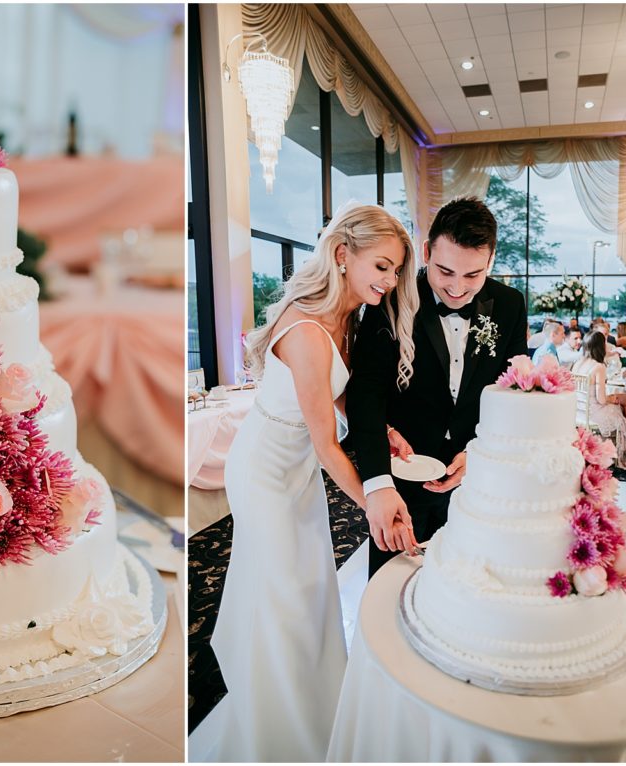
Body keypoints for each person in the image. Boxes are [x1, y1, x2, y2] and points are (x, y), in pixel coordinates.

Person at [206, 203, 418, 762]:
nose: (390, 281)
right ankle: (280, 735)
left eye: (396, 270)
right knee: (284, 597)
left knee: (313, 591)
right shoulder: (305, 327)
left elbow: (333, 392)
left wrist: (385, 430)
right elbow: (328, 446)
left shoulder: (348, 316)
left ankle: (320, 719)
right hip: (263, 471)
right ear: (343, 256)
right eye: (381, 266)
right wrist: (374, 498)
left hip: (295, 469)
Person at [346, 197, 528, 581]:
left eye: (473, 275)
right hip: (402, 472)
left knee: (464, 591)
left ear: (491, 261)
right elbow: (366, 392)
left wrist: (476, 453)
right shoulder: (389, 297)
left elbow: (513, 394)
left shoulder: (510, 305)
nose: (458, 289)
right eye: (445, 271)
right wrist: (377, 482)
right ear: (427, 252)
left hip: (476, 481)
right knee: (392, 586)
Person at [572, 332, 626, 468]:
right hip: (595, 413)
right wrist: (611, 398)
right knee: (620, 405)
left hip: (579, 413)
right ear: (600, 346)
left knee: (622, 399)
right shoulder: (598, 367)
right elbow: (601, 400)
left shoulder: (578, 364)